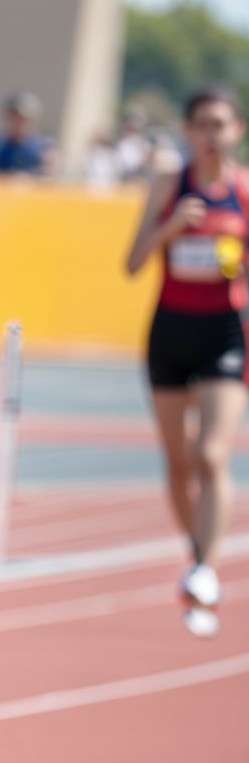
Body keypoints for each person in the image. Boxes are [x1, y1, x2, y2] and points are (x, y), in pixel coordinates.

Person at [125, 87, 248, 638]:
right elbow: (131, 264)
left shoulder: (244, 192)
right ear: (187, 131)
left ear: (236, 131)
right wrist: (172, 227)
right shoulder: (167, 187)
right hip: (170, 330)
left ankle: (206, 569)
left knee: (212, 454)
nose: (211, 135)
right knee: (178, 463)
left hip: (224, 332)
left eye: (220, 125)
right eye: (201, 125)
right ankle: (197, 556)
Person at [0, 90, 49, 175]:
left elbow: (48, 178)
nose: (18, 122)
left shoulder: (43, 149)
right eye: (14, 117)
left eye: (23, 118)